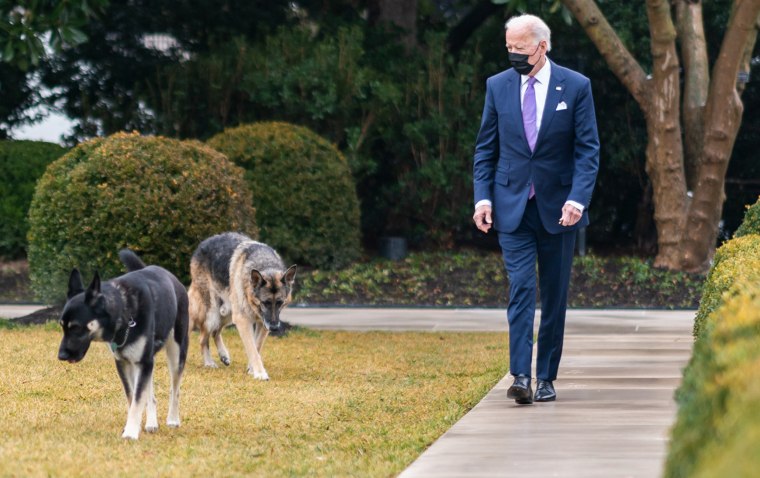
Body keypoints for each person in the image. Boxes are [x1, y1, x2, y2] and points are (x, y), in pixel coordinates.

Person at [472, 14, 600, 404]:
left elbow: (587, 149)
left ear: (542, 47)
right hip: (512, 207)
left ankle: (546, 376)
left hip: (560, 209)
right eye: (508, 47)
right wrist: (482, 198)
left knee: (555, 294)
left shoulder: (576, 86)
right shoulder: (497, 86)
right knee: (522, 289)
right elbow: (485, 148)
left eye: (520, 48)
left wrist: (578, 199)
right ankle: (521, 376)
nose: (513, 54)